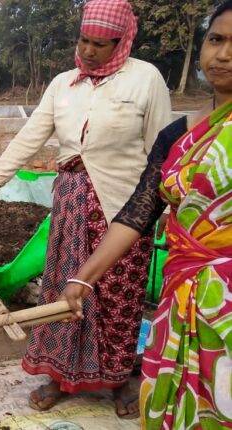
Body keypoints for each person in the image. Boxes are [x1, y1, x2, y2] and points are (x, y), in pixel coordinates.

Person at [0, 0, 172, 418]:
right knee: (66, 292)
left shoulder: (145, 79)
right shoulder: (63, 84)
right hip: (71, 207)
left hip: (125, 212)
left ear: (122, 42)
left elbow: (162, 151)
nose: (90, 50)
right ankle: (61, 377)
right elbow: (30, 136)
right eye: (84, 40)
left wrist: (164, 208)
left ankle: (119, 380)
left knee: (117, 298)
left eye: (101, 43)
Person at [63, 2, 232, 428]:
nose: (224, 54)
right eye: (217, 39)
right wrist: (85, 276)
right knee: (185, 404)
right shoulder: (177, 136)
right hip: (184, 301)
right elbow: (138, 212)